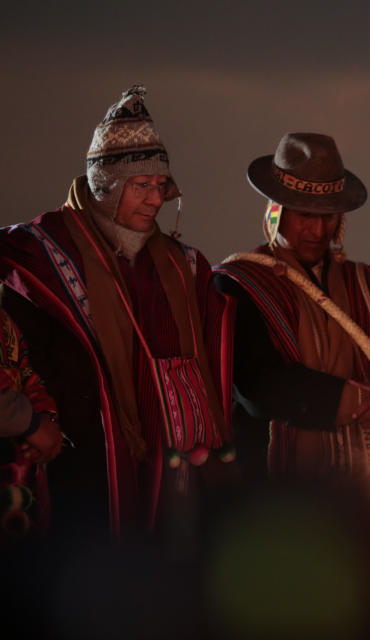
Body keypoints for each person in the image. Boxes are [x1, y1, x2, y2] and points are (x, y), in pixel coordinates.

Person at [0, 86, 234, 538]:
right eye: (140, 186)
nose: (154, 200)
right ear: (105, 189)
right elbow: (21, 356)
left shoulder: (180, 264)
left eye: (160, 187)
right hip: (84, 469)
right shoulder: (41, 256)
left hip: (176, 473)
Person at [213, 133, 370, 487]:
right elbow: (259, 387)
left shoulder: (367, 287)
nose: (319, 230)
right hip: (280, 498)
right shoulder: (239, 284)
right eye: (305, 215)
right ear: (277, 210)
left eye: (329, 217)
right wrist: (361, 400)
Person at [0, 307, 61, 539]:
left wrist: (46, 418)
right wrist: (34, 426)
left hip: (21, 474)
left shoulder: (5, 319)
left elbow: (26, 372)